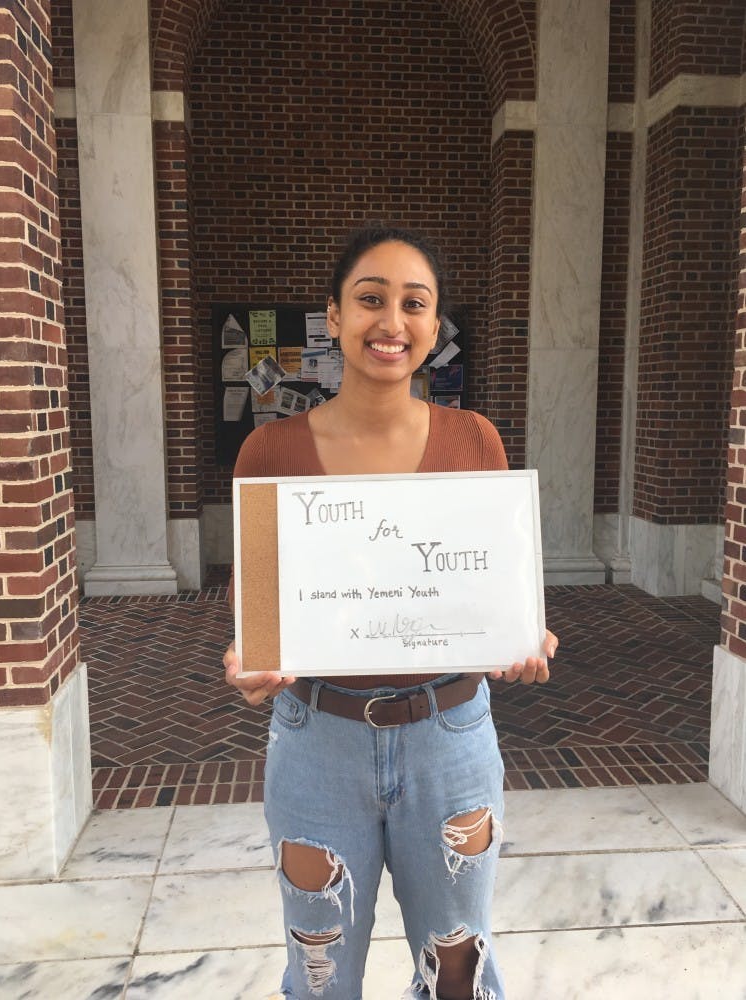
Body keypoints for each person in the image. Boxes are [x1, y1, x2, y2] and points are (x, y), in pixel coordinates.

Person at [223, 226, 558, 1000]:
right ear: (334, 318)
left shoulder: (474, 441)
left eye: (415, 305)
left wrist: (519, 634)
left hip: (451, 738)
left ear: (434, 329)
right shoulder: (269, 453)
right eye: (370, 300)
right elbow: (259, 615)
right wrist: (248, 663)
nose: (392, 322)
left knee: (458, 973)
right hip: (315, 744)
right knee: (319, 975)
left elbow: (495, 586)